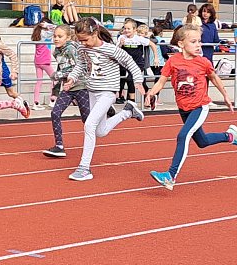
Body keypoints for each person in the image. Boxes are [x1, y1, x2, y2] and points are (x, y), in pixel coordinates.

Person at [144, 26, 237, 190]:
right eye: (193, 41)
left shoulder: (203, 62)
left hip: (200, 106)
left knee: (183, 136)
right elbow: (161, 81)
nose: (198, 45)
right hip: (183, 108)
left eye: (199, 41)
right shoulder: (173, 61)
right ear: (181, 44)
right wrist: (151, 93)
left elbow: (214, 78)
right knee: (202, 141)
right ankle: (230, 136)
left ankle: (170, 176)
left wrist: (226, 96)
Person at [68, 17, 145, 182]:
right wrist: (72, 78)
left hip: (108, 92)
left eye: (85, 40)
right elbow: (80, 65)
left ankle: (84, 168)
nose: (83, 43)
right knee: (100, 131)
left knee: (89, 125)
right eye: (80, 40)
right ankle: (127, 112)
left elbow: (129, 62)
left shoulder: (111, 50)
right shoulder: (82, 48)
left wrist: (138, 80)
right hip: (92, 91)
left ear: (95, 33)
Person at [44, 23, 90, 159]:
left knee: (87, 120)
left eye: (60, 36)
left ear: (68, 37)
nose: (56, 39)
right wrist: (56, 87)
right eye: (54, 36)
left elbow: (78, 67)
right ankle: (59, 146)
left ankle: (106, 110)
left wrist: (58, 75)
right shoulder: (57, 51)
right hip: (68, 88)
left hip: (81, 86)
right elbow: (62, 68)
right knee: (55, 113)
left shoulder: (71, 49)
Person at [118, 18, 154, 104]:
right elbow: (116, 50)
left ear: (134, 30)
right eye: (125, 28)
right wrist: (120, 44)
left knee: (132, 80)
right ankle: (124, 97)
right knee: (124, 79)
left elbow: (152, 44)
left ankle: (134, 100)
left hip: (137, 63)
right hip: (125, 63)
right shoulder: (121, 37)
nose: (126, 30)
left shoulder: (139, 38)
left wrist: (156, 58)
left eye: (128, 28)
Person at [29, 20, 54, 106]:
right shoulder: (45, 34)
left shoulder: (37, 34)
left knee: (39, 81)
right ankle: (52, 100)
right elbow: (56, 28)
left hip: (37, 61)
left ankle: (36, 102)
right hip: (45, 61)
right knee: (55, 79)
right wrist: (47, 25)